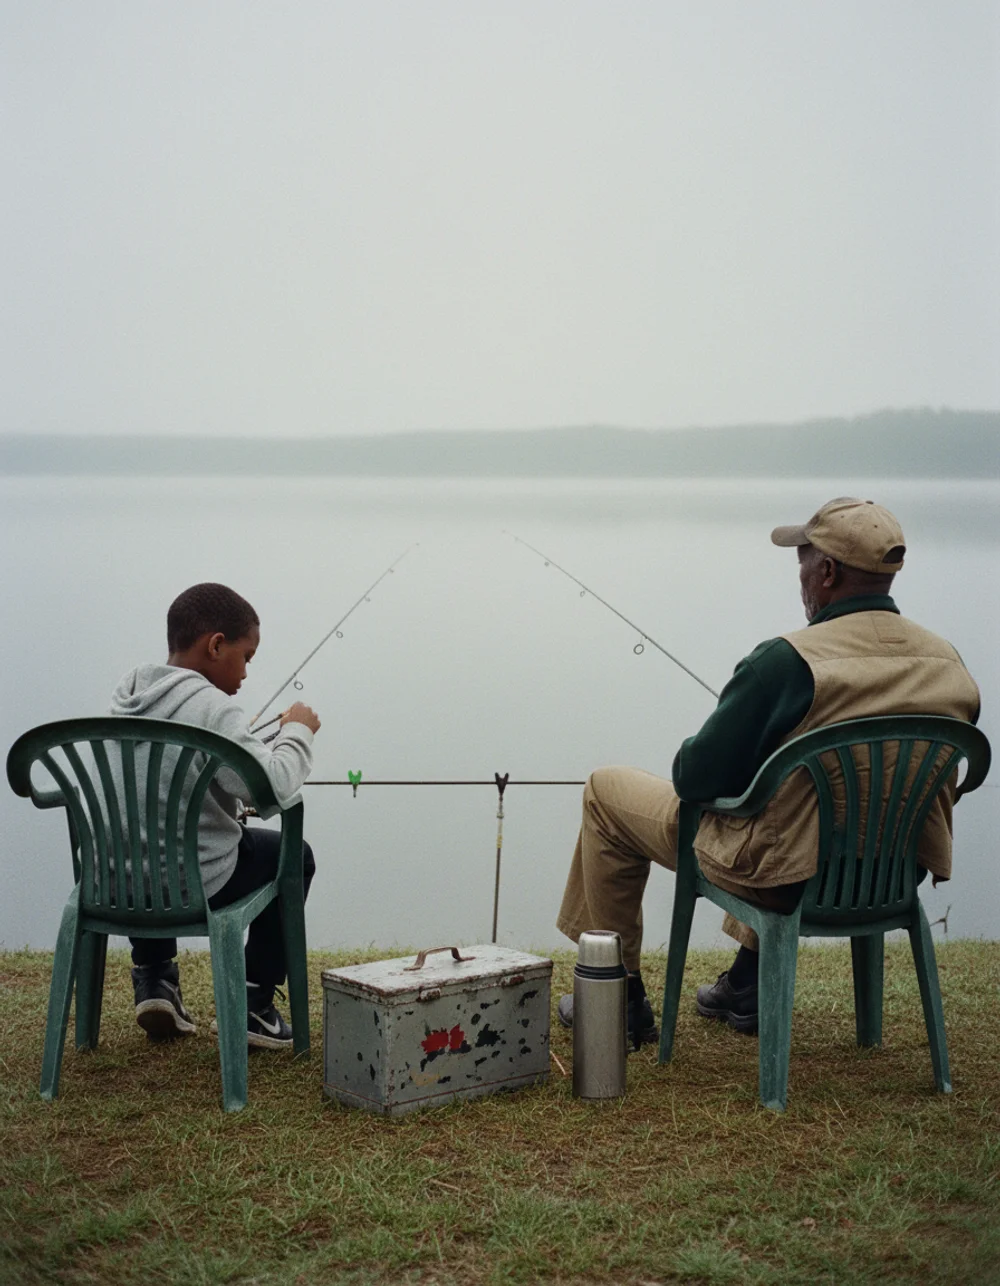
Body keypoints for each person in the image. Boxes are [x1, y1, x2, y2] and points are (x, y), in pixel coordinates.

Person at [556, 497, 981, 1045]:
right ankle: (748, 982)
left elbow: (695, 779)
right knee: (793, 804)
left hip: (785, 879)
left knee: (605, 792)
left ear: (827, 572)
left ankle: (617, 997)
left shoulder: (784, 663)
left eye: (803, 560)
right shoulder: (949, 664)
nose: (799, 574)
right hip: (892, 872)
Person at [109, 582, 321, 1049]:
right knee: (294, 855)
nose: (246, 672)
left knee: (151, 836)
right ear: (216, 645)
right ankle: (253, 1003)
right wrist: (296, 733)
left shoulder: (124, 700)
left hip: (119, 883)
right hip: (195, 883)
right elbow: (272, 790)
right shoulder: (213, 708)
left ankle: (155, 977)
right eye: (246, 656)